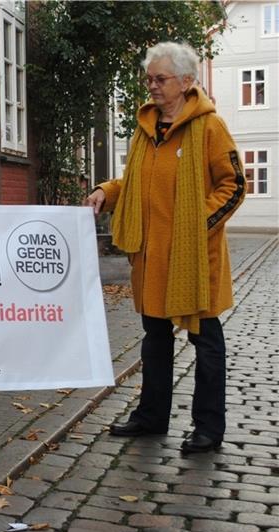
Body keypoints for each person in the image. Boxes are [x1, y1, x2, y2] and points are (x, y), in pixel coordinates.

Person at [85, 42, 245, 454]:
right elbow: (134, 183)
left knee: (206, 341)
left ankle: (209, 428)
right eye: (149, 79)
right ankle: (151, 417)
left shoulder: (210, 128)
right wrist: (106, 191)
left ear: (187, 82)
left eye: (160, 79)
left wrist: (196, 227)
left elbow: (234, 185)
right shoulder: (145, 128)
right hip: (152, 256)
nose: (152, 86)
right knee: (154, 339)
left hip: (195, 259)